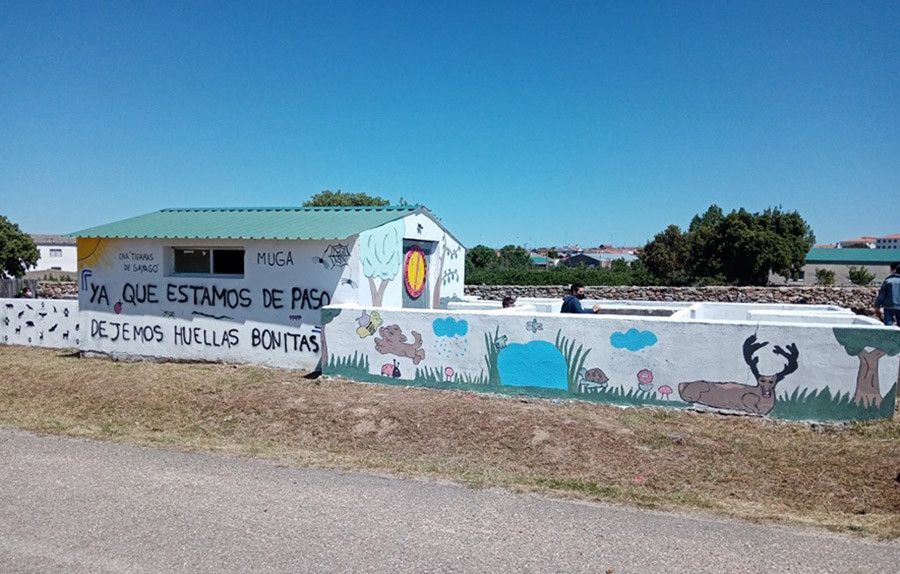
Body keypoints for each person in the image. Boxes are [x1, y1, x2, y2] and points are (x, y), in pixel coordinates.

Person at [874, 262, 900, 326]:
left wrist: (877, 306)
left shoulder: (888, 281)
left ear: (893, 270)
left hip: (888, 307)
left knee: (888, 325)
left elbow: (881, 295)